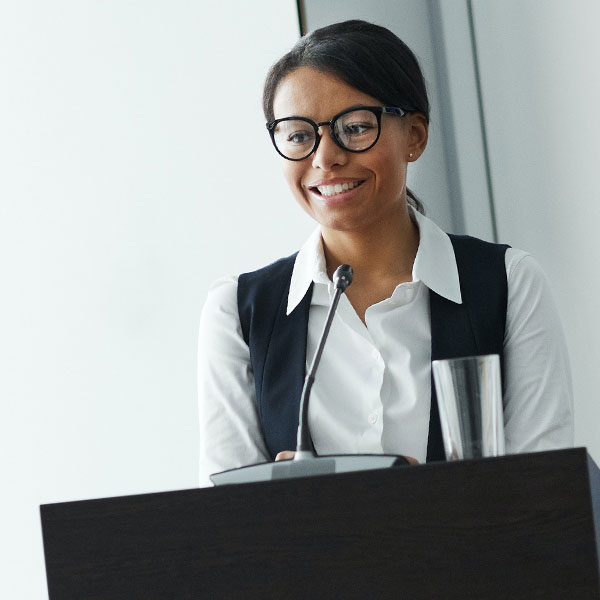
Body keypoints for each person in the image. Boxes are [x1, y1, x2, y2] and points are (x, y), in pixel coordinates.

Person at [197, 20, 573, 487]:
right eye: (297, 135)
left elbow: (547, 494)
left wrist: (397, 498)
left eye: (354, 128)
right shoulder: (237, 313)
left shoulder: (509, 284)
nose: (325, 157)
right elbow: (226, 524)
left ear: (414, 135)